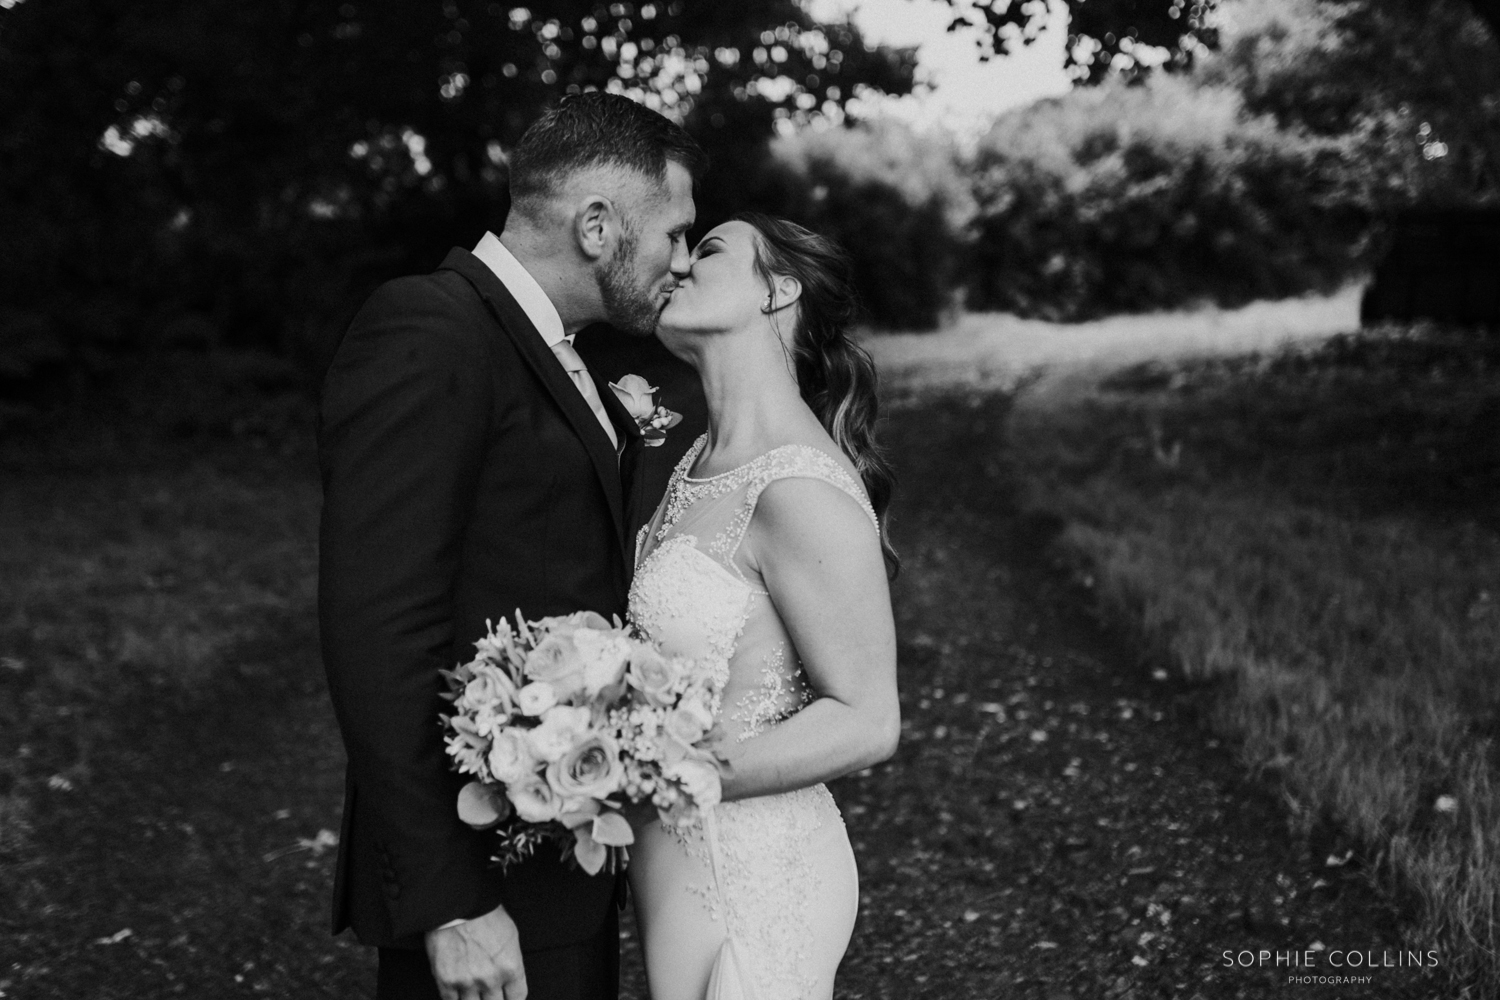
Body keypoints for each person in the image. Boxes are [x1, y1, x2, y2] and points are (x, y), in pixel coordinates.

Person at [317, 92, 702, 1000]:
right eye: (675, 235)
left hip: (557, 866)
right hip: (483, 882)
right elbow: (377, 623)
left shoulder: (563, 353)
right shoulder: (433, 329)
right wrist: (448, 901)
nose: (681, 263)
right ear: (598, 226)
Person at [626, 214, 902, 999]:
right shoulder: (695, 460)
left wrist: (664, 776)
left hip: (759, 878)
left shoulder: (798, 488)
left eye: (708, 249)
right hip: (677, 875)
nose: (677, 265)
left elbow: (867, 718)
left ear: (779, 290)